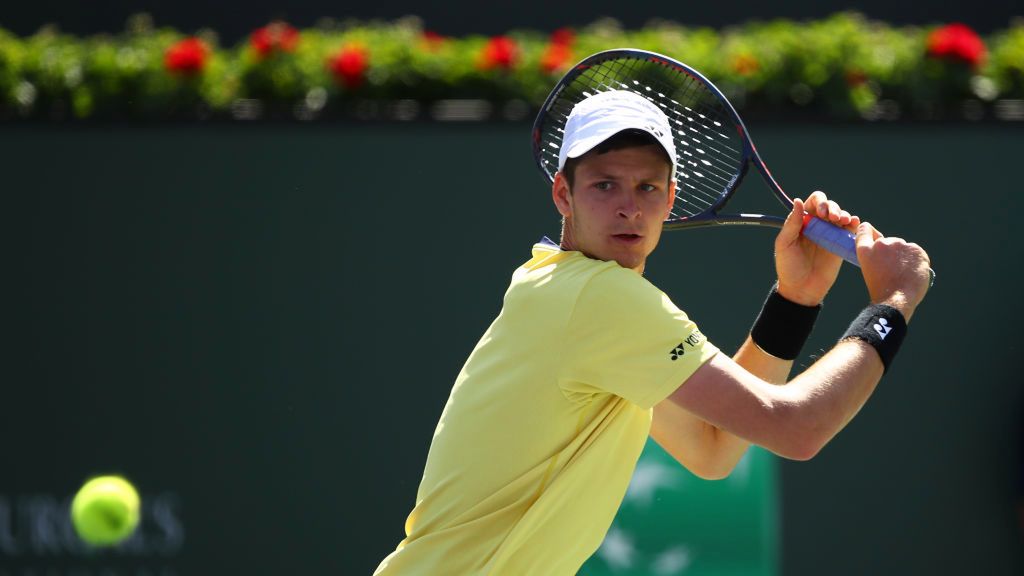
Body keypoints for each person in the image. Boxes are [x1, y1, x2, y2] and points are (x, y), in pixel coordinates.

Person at [374, 90, 932, 575]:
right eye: (604, 185)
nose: (627, 207)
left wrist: (797, 299)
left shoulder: (566, 293)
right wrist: (894, 300)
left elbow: (711, 452)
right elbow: (797, 429)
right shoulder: (597, 299)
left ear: (670, 200)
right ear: (562, 195)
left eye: (646, 188)